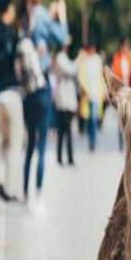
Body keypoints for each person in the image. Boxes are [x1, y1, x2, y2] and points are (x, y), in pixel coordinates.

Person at [17, 0, 68, 217]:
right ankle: (37, 195)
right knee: (41, 144)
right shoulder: (42, 16)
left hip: (26, 90)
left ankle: (25, 194)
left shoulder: (22, 18)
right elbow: (61, 37)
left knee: (29, 145)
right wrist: (62, 15)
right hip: (43, 86)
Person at [0, 0, 23, 203]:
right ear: (9, 9)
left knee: (4, 141)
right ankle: (10, 190)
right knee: (15, 143)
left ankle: (0, 179)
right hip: (12, 94)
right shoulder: (14, 34)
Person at [54, 35, 78, 167]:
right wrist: (78, 60)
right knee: (64, 131)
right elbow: (71, 70)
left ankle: (66, 157)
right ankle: (65, 157)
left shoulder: (63, 58)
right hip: (63, 101)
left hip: (66, 100)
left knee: (66, 131)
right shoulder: (60, 58)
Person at [78, 41, 104, 152]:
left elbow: (100, 77)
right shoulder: (85, 60)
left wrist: (103, 92)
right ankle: (90, 140)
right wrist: (85, 89)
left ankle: (93, 141)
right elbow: (81, 76)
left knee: (93, 118)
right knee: (89, 119)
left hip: (96, 92)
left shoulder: (98, 60)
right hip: (87, 94)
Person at [111, 36, 131, 150]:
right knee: (120, 116)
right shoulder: (116, 58)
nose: (127, 48)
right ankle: (121, 141)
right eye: (125, 46)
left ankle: (128, 140)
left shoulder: (130, 58)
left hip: (129, 89)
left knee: (129, 115)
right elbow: (115, 73)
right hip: (120, 91)